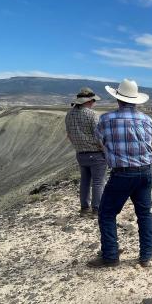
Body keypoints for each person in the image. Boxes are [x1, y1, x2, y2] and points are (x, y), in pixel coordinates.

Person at [87, 79, 152, 268]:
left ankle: (110, 256)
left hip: (122, 173)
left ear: (118, 99)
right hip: (145, 171)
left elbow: (100, 142)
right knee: (144, 213)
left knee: (107, 213)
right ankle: (146, 256)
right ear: (136, 100)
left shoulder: (107, 119)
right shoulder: (147, 120)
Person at [65, 87, 106, 217]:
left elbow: (69, 135)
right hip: (96, 153)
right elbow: (99, 136)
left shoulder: (69, 114)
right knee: (98, 182)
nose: (94, 103)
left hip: (80, 153)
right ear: (89, 101)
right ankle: (97, 209)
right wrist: (104, 150)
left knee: (85, 181)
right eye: (93, 100)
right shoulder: (92, 114)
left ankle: (84, 208)